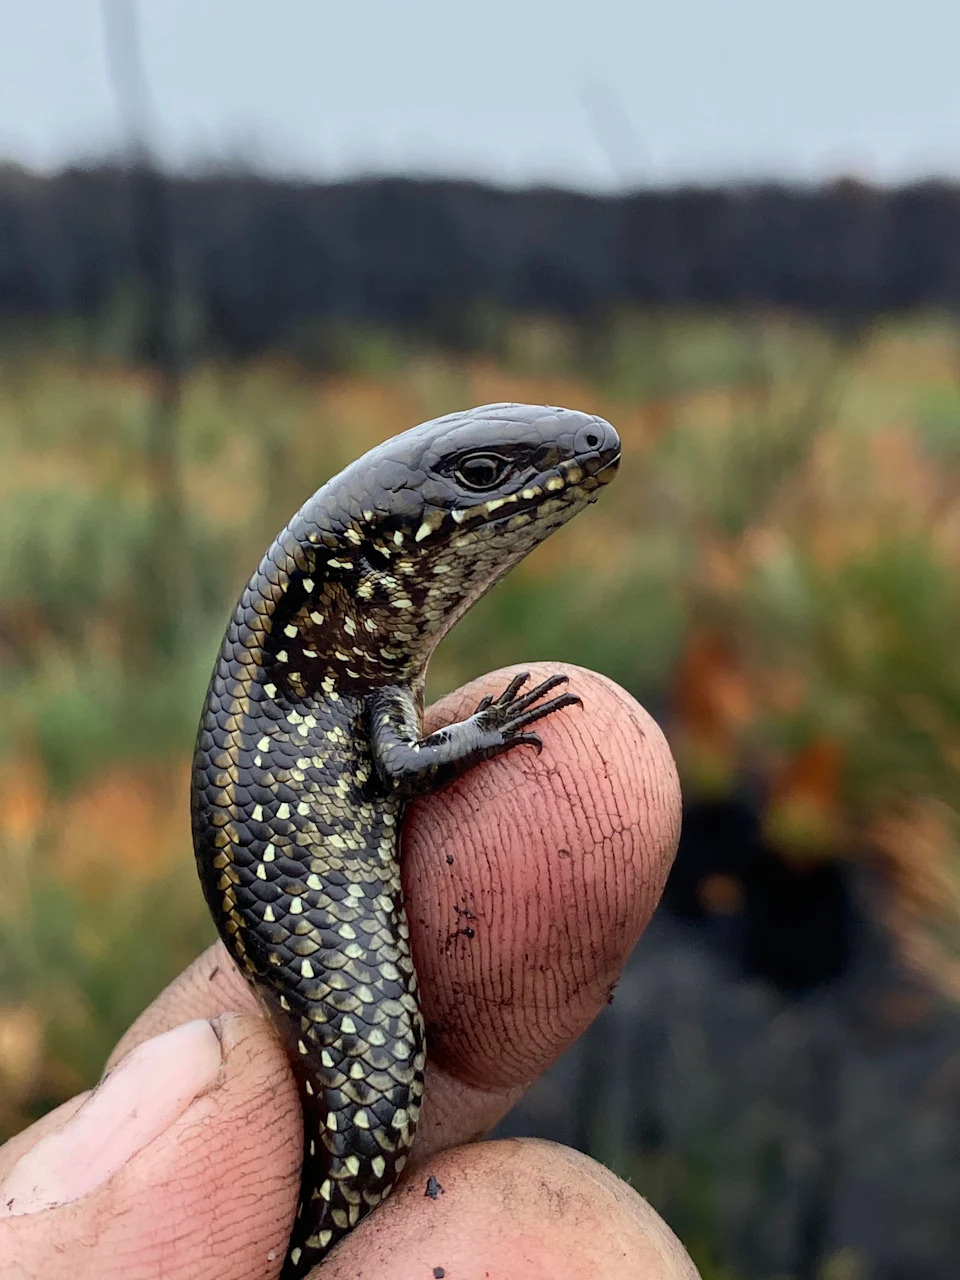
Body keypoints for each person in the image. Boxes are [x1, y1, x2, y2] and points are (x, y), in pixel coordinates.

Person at [0, 665, 696, 1279]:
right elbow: (399, 764)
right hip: (354, 1062)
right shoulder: (370, 683)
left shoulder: (357, 679)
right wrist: (488, 732)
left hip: (350, 1047)